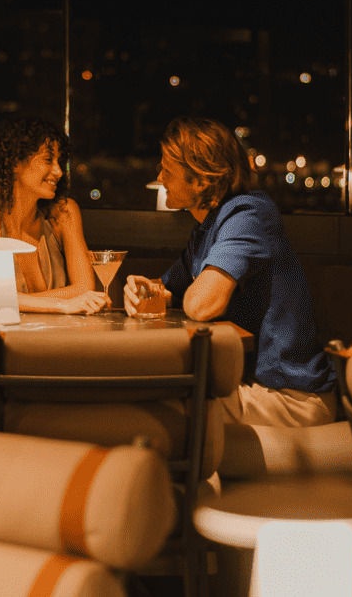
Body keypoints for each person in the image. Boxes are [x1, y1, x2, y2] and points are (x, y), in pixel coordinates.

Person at [125, 117, 337, 426]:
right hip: (255, 388)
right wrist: (141, 290)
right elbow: (167, 288)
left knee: (159, 409)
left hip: (291, 399)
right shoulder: (208, 227)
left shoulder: (249, 213)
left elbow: (201, 304)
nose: (159, 178)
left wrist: (172, 294)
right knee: (150, 398)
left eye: (167, 170)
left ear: (199, 179)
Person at [0, 117, 109, 314]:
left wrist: (5, 300)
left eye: (60, 161)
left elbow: (85, 288)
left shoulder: (63, 213)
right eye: (48, 160)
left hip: (59, 338)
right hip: (2, 338)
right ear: (15, 163)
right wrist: (63, 304)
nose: (58, 171)